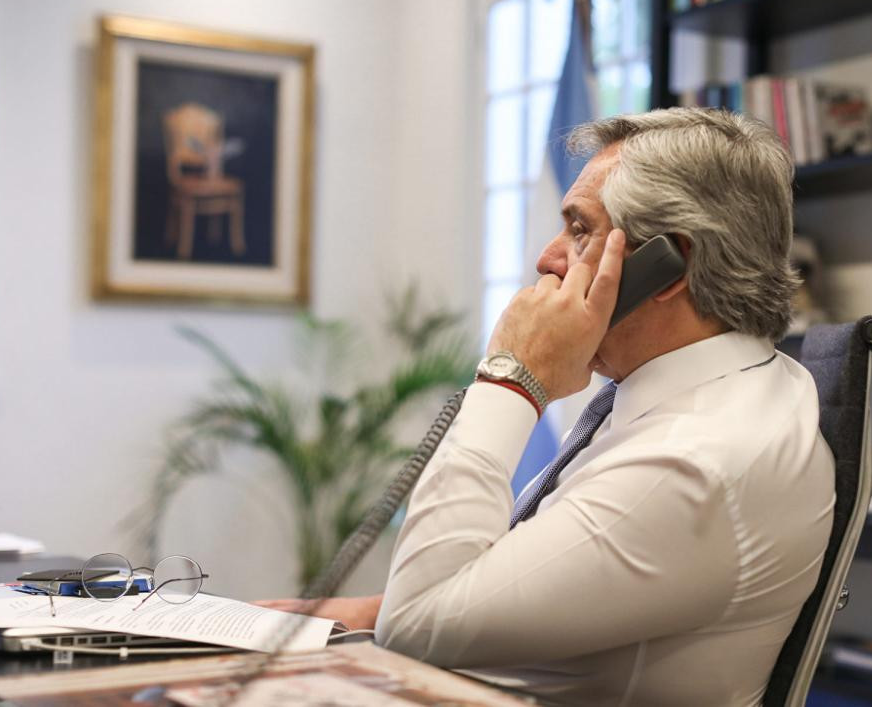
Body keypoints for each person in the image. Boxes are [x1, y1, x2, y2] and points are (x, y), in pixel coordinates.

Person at [261, 108, 834, 706]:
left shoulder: (692, 462)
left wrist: (512, 377)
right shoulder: (738, 383)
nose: (547, 258)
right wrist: (338, 615)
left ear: (669, 265)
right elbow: (520, 583)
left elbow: (416, 632)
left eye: (579, 229)